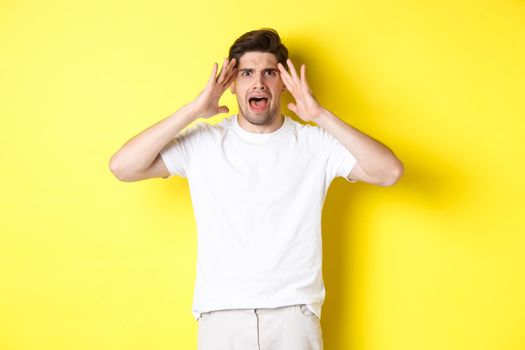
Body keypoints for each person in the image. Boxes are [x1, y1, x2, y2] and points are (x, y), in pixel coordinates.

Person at [109, 28, 403, 350]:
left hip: (293, 318)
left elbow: (389, 171)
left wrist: (320, 116)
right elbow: (123, 166)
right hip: (222, 317)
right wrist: (193, 110)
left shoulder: (314, 143)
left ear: (284, 84)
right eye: (247, 73)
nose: (258, 83)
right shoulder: (203, 144)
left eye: (269, 73)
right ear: (233, 85)